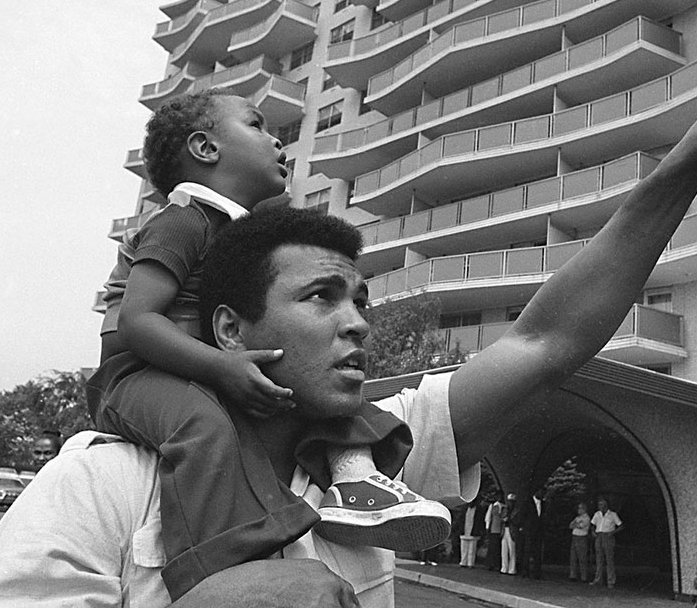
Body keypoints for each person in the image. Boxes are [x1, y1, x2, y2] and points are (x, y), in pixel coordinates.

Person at [0, 34, 697, 608]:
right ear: (225, 332)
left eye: (359, 298)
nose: (358, 323)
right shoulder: (107, 479)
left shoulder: (374, 455)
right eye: (321, 298)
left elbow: (545, 341)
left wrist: (685, 166)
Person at [84, 89, 449, 599]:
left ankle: (358, 480)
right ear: (206, 149)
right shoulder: (183, 221)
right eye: (256, 125)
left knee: (328, 396)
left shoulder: (239, 232)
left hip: (195, 368)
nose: (277, 139)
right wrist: (220, 367)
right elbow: (137, 323)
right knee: (205, 426)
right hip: (134, 376)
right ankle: (219, 568)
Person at [590, 497, 623, 588]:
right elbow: (592, 525)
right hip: (599, 535)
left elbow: (620, 526)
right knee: (599, 559)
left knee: (609, 559)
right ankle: (598, 580)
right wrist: (593, 532)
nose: (600, 506)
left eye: (602, 505)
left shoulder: (612, 515)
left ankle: (611, 581)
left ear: (606, 505)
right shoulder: (597, 514)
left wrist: (612, 533)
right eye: (599, 505)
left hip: (608, 536)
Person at [516, 488, 545, 579]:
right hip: (528, 530)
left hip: (538, 531)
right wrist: (522, 527)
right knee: (527, 551)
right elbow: (522, 515)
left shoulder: (543, 504)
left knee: (537, 552)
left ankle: (537, 573)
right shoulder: (527, 503)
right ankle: (525, 571)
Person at [569, 502, 591, 582]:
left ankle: (583, 576)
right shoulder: (577, 518)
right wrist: (576, 524)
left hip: (581, 538)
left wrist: (576, 524)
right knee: (573, 557)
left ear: (584, 509)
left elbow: (581, 526)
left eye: (580, 508)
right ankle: (573, 575)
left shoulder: (586, 518)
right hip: (575, 537)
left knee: (582, 557)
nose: (578, 510)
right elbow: (571, 525)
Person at [484, 491, 506, 571]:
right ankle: (490, 564)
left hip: (501, 530)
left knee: (499, 548)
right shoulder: (493, 506)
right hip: (493, 529)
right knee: (492, 547)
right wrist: (487, 528)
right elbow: (488, 518)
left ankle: (497, 564)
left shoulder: (505, 506)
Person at [459, 497, 483, 568]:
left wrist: (478, 531)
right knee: (463, 548)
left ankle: (470, 563)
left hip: (473, 531)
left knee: (472, 549)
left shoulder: (478, 510)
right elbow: (461, 520)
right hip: (464, 530)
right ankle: (463, 562)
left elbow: (479, 522)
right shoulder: (464, 509)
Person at [500, 493, 518, 575]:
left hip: (512, 530)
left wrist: (509, 520)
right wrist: (504, 519)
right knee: (504, 550)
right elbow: (501, 517)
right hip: (505, 530)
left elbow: (518, 521)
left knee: (512, 551)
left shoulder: (517, 511)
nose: (510, 503)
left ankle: (512, 569)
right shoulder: (505, 509)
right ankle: (504, 567)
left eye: (512, 501)